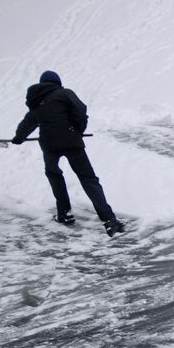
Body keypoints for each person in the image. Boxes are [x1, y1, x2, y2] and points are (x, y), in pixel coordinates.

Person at [11, 70, 125, 235]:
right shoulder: (64, 94)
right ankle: (109, 220)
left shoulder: (37, 101)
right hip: (72, 141)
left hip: (49, 145)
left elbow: (28, 122)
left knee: (54, 175)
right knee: (88, 179)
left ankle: (64, 214)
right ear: (57, 82)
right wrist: (77, 129)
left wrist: (18, 138)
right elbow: (81, 110)